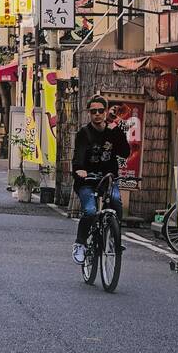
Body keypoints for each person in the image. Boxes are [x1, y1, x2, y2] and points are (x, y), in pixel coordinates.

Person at [71, 95, 130, 264]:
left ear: (105, 112)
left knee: (117, 201)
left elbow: (124, 152)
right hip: (87, 181)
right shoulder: (84, 133)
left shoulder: (113, 131)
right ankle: (80, 244)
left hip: (108, 179)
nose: (97, 114)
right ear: (89, 113)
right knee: (90, 211)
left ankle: (114, 238)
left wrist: (117, 130)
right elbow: (78, 156)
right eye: (93, 111)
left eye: (100, 110)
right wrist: (79, 170)